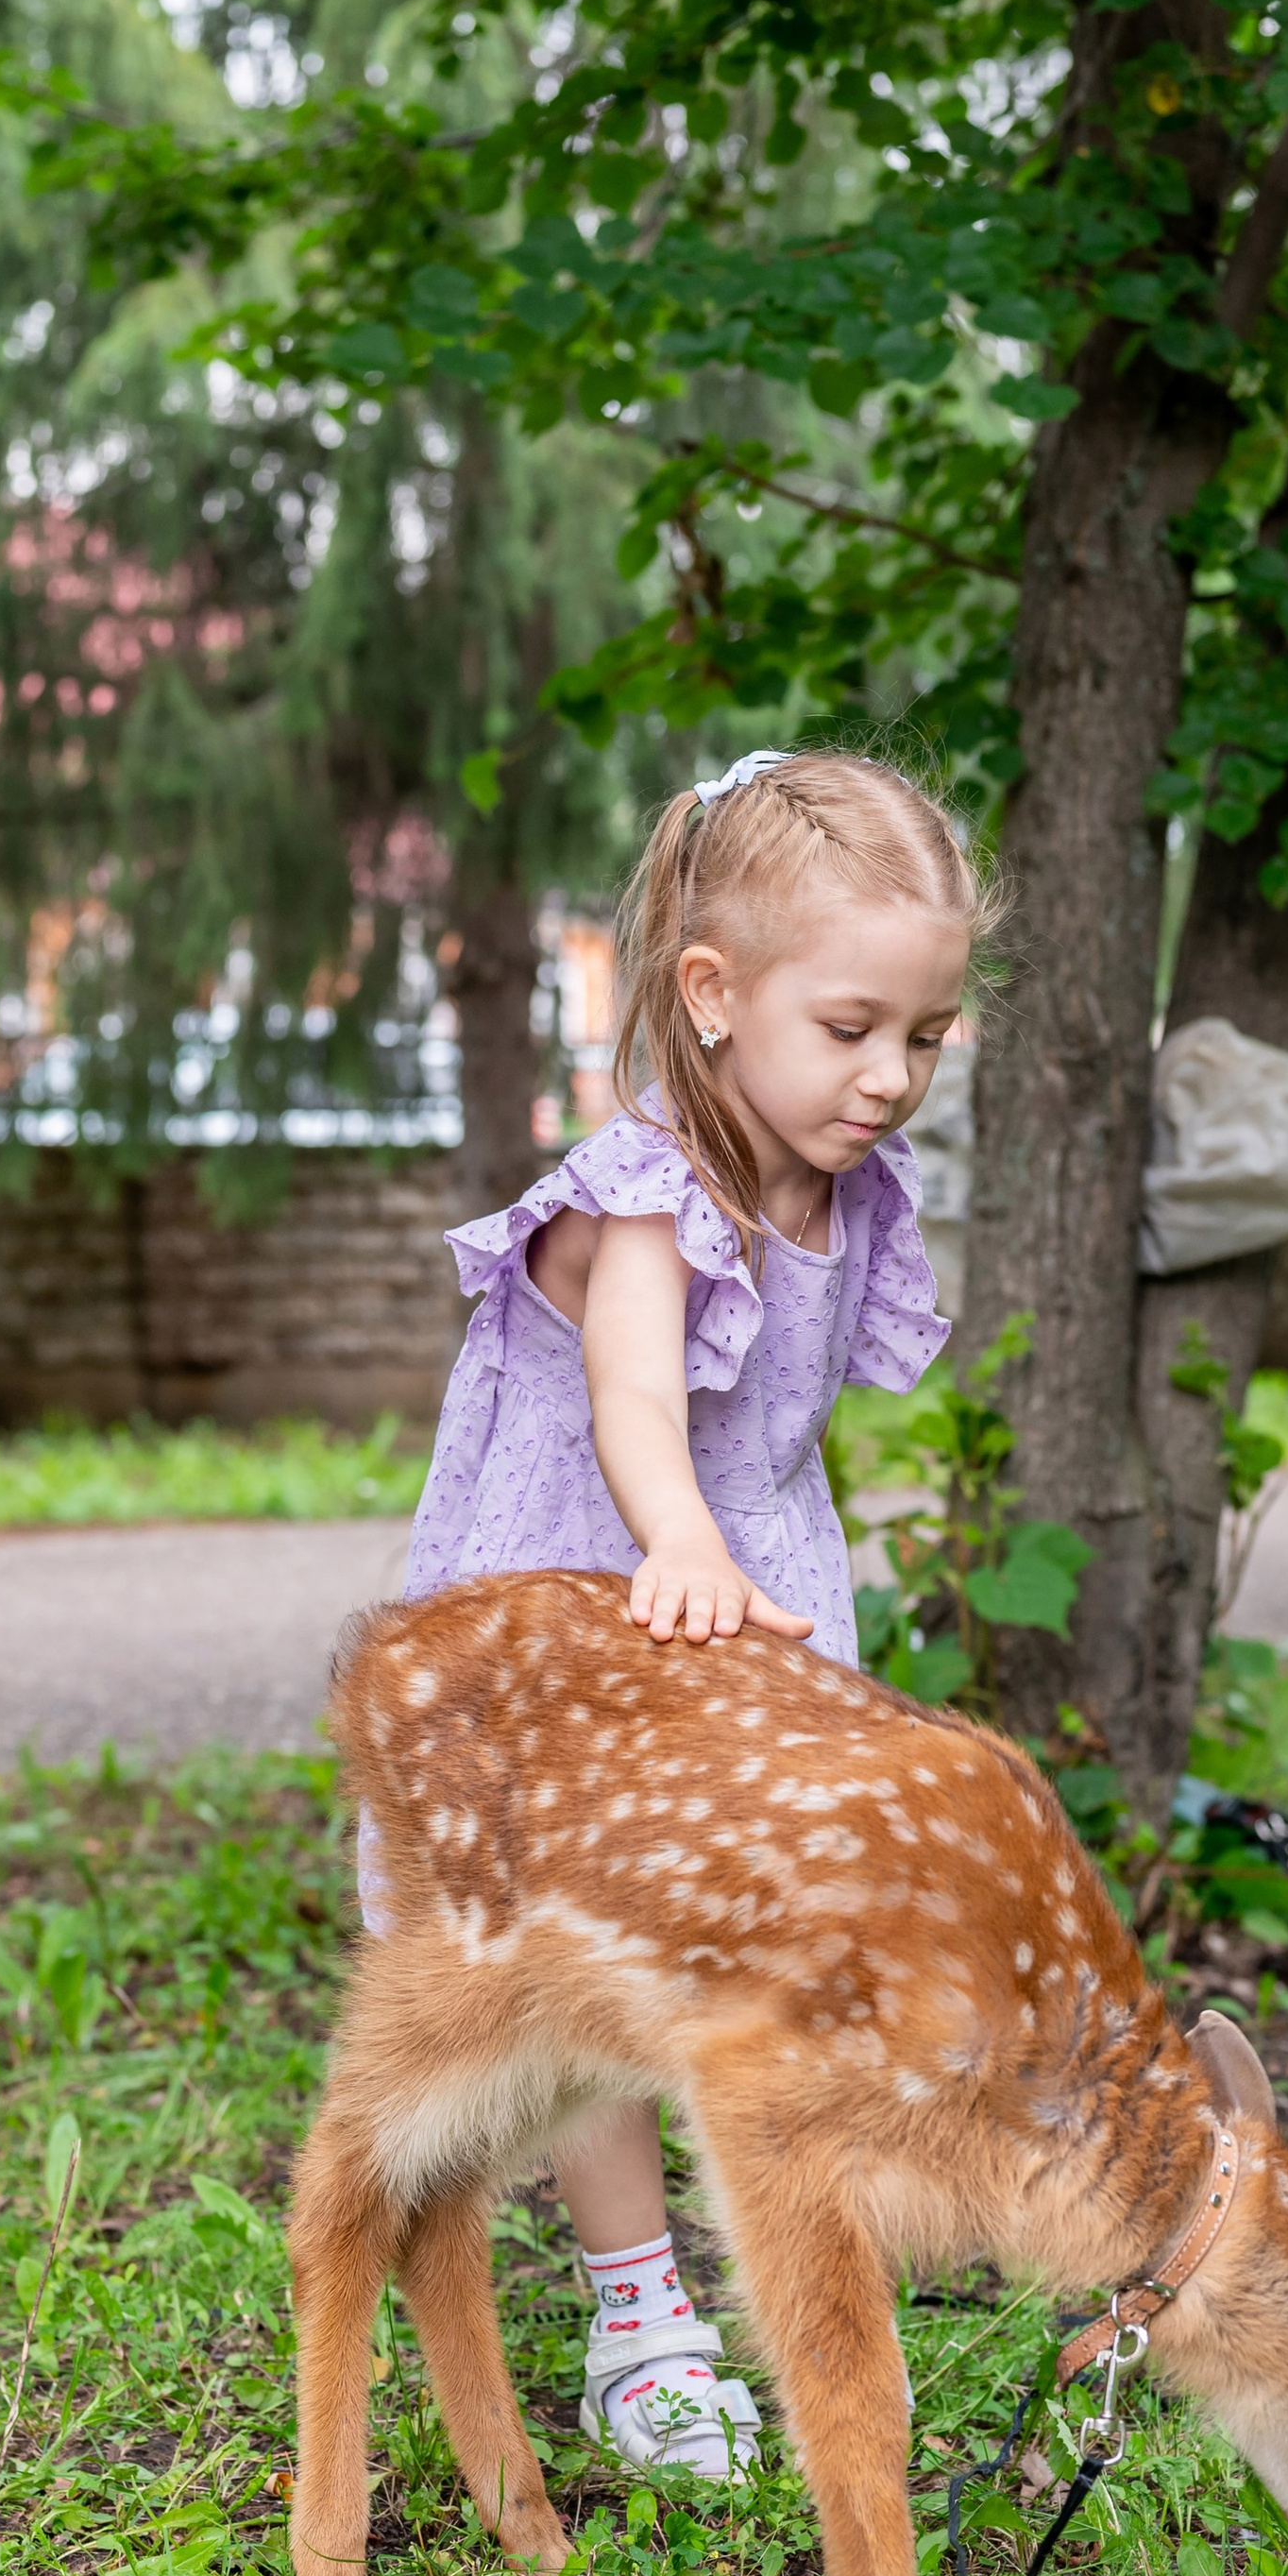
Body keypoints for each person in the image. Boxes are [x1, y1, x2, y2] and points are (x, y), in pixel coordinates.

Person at [364, 742, 997, 2477]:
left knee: (772, 1946)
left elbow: (780, 1419)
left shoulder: (847, 1185)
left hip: (756, 1593)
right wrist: (687, 1548)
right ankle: (638, 2311)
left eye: (925, 1038)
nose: (890, 1077)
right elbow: (642, 1406)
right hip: (605, 1601)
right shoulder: (645, 1196)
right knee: (606, 1974)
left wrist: (757, 1568)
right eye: (852, 1028)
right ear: (711, 997)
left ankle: (805, 2252)